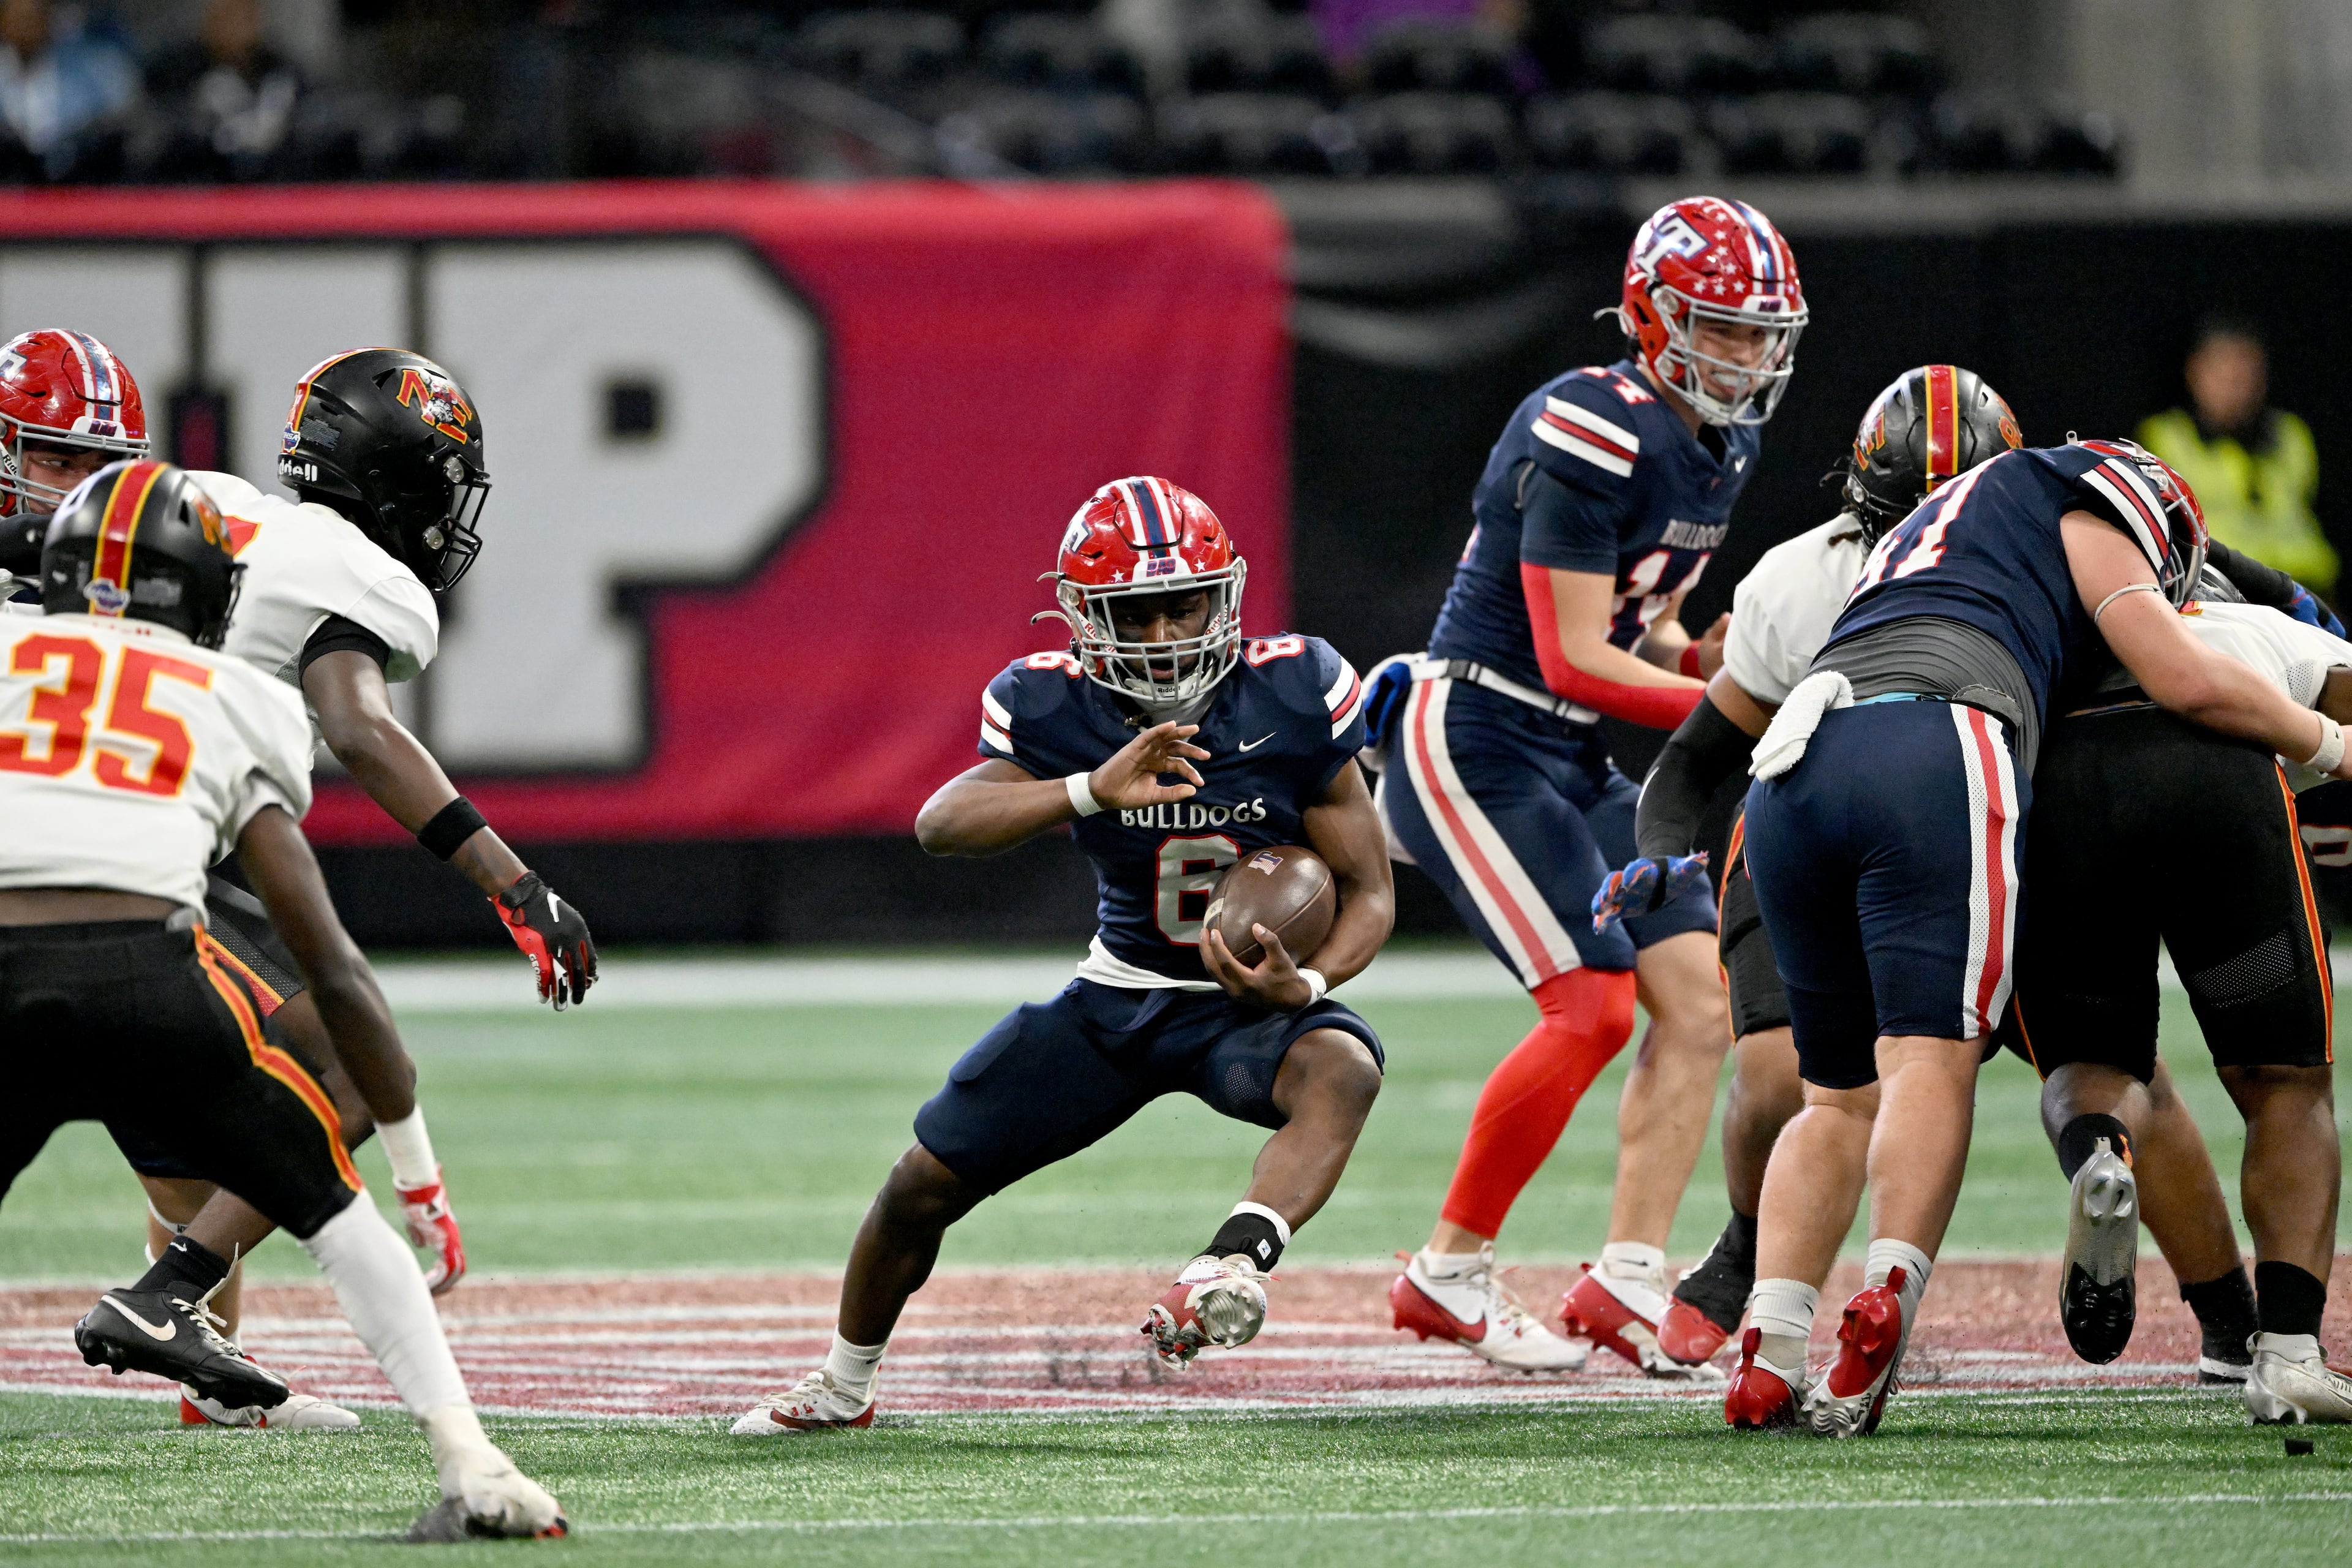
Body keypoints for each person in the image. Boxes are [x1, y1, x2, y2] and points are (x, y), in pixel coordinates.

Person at [1608, 367, 2294, 1387]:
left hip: (1800, 787)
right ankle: (2219, 1313)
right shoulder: (2046, 517)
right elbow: (2226, 612)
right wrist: (2322, 730)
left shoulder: (1806, 572)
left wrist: (1657, 851)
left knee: (1823, 1090)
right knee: (2041, 1067)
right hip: (1963, 777)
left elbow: (1702, 756)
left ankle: (1773, 1318)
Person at [730, 477, 1392, 1433]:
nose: (1166, 635)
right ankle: (842, 1383)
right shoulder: (1055, 706)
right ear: (1088, 616)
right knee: (920, 1187)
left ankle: (1231, 1263)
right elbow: (942, 823)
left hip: (1245, 1007)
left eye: (1186, 606)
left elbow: (1370, 888)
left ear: (1228, 598)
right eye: (1140, 612)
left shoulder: (1294, 691)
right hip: (1118, 998)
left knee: (1344, 1064)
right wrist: (1089, 788)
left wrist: (1315, 978)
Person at [1724, 436, 2352, 1437]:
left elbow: (1708, 733)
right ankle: (2283, 1346)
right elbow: (2205, 676)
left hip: (1809, 753)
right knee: (2269, 1078)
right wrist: (2331, 748)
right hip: (1973, 745)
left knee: (1849, 1093)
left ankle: (1775, 1332)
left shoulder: (1876, 557)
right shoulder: (2098, 514)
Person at [6, 461, 562, 1539]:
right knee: (339, 1218)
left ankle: (182, 1316)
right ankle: (470, 1460)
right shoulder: (236, 695)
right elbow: (333, 959)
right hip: (152, 975)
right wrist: (415, 1171)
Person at [72, 345, 598, 1427]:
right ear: (397, 478)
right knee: (345, 1065)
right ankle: (169, 1300)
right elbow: (359, 725)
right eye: (437, 481)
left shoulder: (210, 502)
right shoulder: (367, 582)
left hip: (76, 796)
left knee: (199, 1124)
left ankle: (203, 1359)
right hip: (155, 830)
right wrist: (514, 883)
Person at [1376, 195, 1802, 1375]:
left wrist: (1713, 659)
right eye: (1721, 328)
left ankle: (1625, 1278)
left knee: (1700, 1002)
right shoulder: (1586, 424)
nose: (1749, 355)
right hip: (1474, 729)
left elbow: (1640, 622)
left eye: (1763, 332)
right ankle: (1446, 1274)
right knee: (1594, 1005)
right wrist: (1743, 709)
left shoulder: (1724, 441)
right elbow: (1570, 654)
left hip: (1564, 749)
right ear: (1654, 318)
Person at [2139, 317, 2334, 600]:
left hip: (2307, 586)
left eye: (2246, 375)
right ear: (2195, 373)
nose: (2234, 387)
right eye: (2223, 375)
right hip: (2224, 588)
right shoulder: (2166, 437)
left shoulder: (2292, 433)